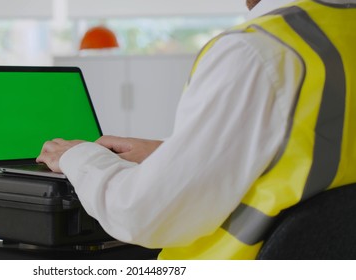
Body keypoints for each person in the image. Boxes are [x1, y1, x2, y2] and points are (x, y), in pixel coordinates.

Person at [37, 0, 356, 259]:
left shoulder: (257, 50)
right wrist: (171, 154)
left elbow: (141, 214)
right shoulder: (342, 29)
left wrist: (78, 156)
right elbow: (311, 155)